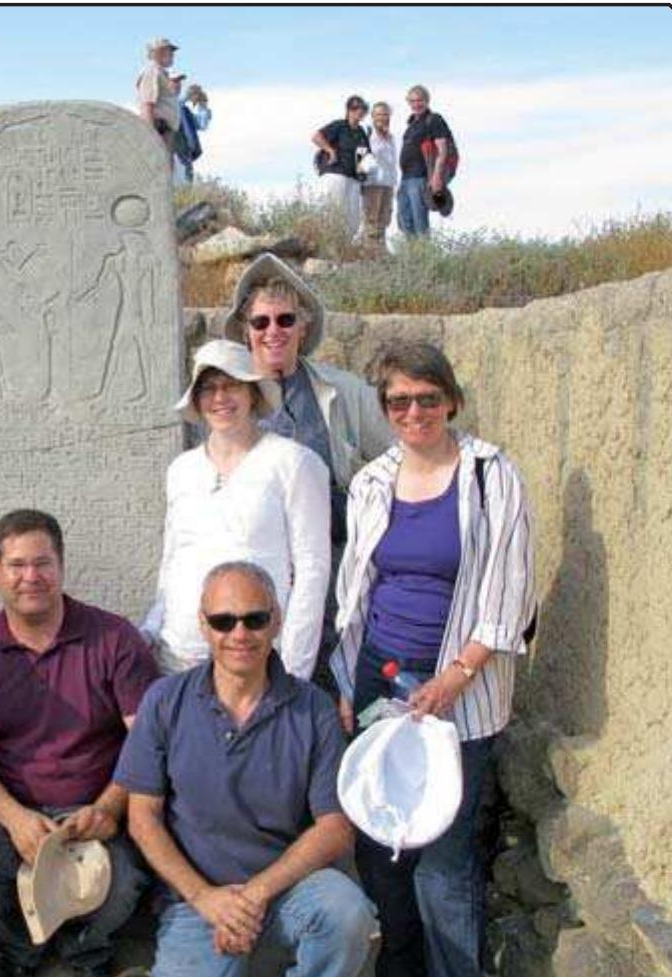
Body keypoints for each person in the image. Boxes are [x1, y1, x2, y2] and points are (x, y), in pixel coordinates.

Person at [333, 342, 535, 977]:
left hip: (458, 687)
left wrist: (455, 676)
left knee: (444, 858)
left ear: (450, 399)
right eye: (397, 402)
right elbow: (355, 589)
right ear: (384, 409)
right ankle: (400, 973)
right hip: (378, 676)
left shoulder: (489, 476)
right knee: (379, 842)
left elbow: (508, 594)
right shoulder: (371, 483)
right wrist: (345, 681)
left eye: (426, 398)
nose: (412, 412)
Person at [117, 561, 376, 977]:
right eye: (224, 621)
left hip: (284, 890)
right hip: (196, 900)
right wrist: (206, 898)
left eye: (254, 619)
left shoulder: (313, 708)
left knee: (348, 912)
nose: (240, 633)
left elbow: (336, 828)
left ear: (276, 621)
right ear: (203, 624)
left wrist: (256, 894)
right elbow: (142, 817)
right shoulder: (165, 701)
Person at [0, 509, 159, 977]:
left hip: (95, 808)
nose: (30, 577)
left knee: (124, 881)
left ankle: (87, 949)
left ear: (62, 566)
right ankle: (20, 949)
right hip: (8, 810)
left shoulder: (114, 639)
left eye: (42, 563)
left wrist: (108, 809)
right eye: (16, 565)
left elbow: (146, 745)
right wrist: (15, 819)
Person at [223, 253, 392, 689]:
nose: (273, 331)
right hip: (256, 583)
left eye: (285, 320)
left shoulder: (342, 393)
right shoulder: (226, 403)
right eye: (261, 323)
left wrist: (361, 510)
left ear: (303, 326)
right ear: (247, 331)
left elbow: (404, 456)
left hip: (336, 579)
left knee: (333, 697)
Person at [142, 339, 330, 679]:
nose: (220, 398)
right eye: (209, 388)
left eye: (232, 386)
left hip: (256, 660)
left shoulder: (294, 462)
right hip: (179, 657)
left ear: (254, 394)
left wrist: (292, 671)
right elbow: (173, 561)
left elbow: (312, 571)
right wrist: (152, 630)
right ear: (197, 400)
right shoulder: (182, 470)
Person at [398, 84, 454, 239]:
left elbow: (443, 150)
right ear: (409, 102)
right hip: (405, 179)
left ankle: (423, 257)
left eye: (420, 100)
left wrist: (436, 177)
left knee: (419, 221)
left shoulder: (434, 119)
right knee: (404, 221)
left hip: (421, 178)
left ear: (427, 101)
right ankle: (412, 257)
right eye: (413, 101)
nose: (416, 104)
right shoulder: (411, 124)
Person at [311, 95, 370, 241]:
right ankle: (329, 243)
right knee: (334, 210)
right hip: (336, 173)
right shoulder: (339, 126)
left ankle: (344, 245)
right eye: (355, 108)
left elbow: (363, 154)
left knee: (353, 217)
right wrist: (330, 150)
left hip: (353, 178)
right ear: (349, 110)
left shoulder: (361, 132)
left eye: (362, 109)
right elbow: (316, 136)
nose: (359, 112)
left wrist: (362, 176)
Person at [359, 101, 399, 250]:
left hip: (388, 184)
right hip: (372, 184)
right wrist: (362, 180)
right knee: (371, 220)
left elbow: (392, 162)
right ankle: (370, 253)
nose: (382, 118)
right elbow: (360, 160)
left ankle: (379, 252)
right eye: (379, 114)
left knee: (384, 220)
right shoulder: (367, 135)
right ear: (373, 117)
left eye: (385, 114)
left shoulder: (391, 138)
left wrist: (394, 184)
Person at [135, 36, 182, 162]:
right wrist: (150, 135)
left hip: (164, 130)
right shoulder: (152, 72)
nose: (172, 54)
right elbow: (147, 105)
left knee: (166, 168)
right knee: (160, 167)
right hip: (158, 129)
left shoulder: (161, 73)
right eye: (169, 50)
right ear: (157, 52)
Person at [173, 82, 212, 186]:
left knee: (186, 187)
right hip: (174, 154)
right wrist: (188, 94)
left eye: (178, 82)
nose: (177, 84)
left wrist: (203, 104)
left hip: (187, 155)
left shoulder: (185, 110)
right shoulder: (168, 103)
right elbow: (174, 105)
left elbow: (202, 124)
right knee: (177, 186)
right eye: (174, 81)